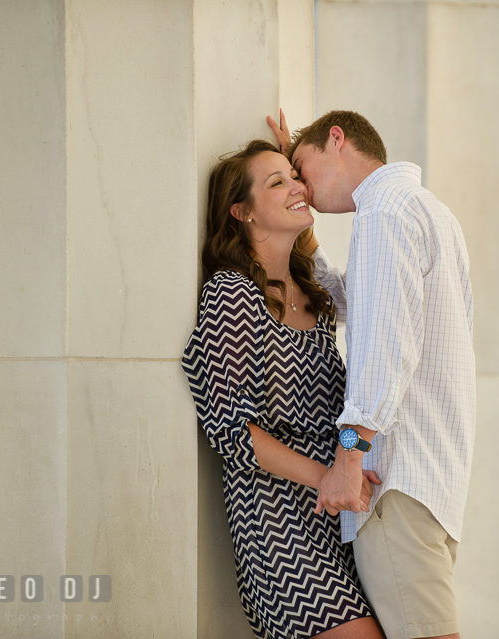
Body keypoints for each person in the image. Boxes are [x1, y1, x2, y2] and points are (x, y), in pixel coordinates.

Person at [268, 110, 476, 639]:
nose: (302, 188)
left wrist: (347, 457)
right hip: (433, 481)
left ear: (336, 139)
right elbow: (352, 304)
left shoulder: (382, 213)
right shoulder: (429, 211)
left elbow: (386, 349)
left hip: (393, 481)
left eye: (299, 167)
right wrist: (304, 238)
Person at [181, 139, 385, 639]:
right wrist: (327, 477)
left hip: (338, 511)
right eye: (278, 182)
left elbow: (375, 312)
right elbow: (233, 432)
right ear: (242, 212)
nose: (298, 186)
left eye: (295, 175)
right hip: (277, 523)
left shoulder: (313, 292)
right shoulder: (231, 292)